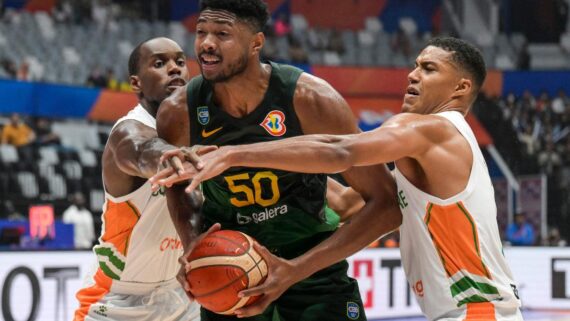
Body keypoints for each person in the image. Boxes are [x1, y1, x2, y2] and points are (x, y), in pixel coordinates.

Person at [153, 37, 523, 321]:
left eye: (428, 69)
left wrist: (233, 152)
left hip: (475, 311)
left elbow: (341, 150)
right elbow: (349, 203)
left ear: (460, 88)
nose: (412, 74)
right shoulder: (428, 155)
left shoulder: (430, 129)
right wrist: (263, 180)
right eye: (415, 65)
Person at [152, 1, 401, 320]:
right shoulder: (178, 112)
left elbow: (387, 204)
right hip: (228, 280)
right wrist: (191, 245)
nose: (207, 43)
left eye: (222, 34)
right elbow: (177, 186)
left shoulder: (311, 100)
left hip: (314, 276)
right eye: (201, 32)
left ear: (256, 43)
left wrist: (294, 270)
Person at [72, 37, 206, 321]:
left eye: (180, 62)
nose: (174, 69)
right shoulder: (127, 131)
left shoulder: (200, 129)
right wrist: (173, 156)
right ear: (136, 84)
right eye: (159, 63)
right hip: (118, 298)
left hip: (182, 293)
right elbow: (145, 151)